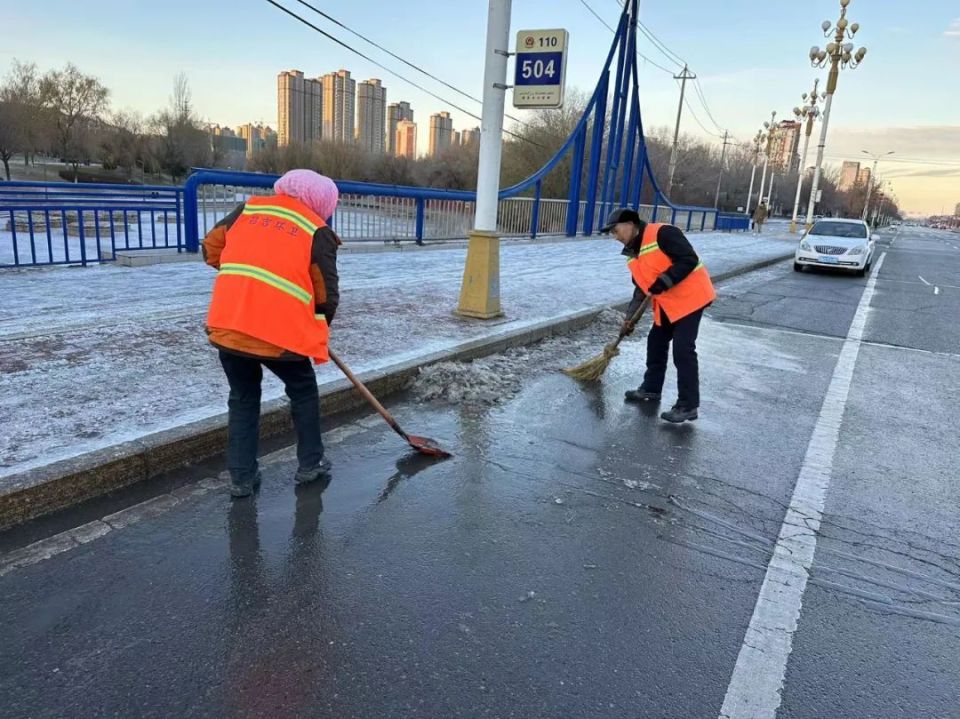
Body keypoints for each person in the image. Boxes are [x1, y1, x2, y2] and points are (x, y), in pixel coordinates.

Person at [203, 169, 341, 498]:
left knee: (243, 398)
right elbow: (325, 298)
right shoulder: (316, 230)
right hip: (279, 334)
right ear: (320, 202)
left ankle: (241, 478)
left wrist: (247, 275)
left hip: (230, 324)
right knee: (303, 390)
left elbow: (210, 250)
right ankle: (311, 464)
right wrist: (315, 331)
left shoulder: (248, 209)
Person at [602, 208, 716, 423]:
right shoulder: (631, 255)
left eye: (616, 231)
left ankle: (688, 405)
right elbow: (640, 290)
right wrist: (630, 318)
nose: (615, 237)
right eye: (612, 233)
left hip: (691, 297)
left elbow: (688, 259)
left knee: (683, 349)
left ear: (630, 224)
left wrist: (665, 280)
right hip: (667, 303)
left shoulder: (663, 233)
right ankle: (651, 388)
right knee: (655, 342)